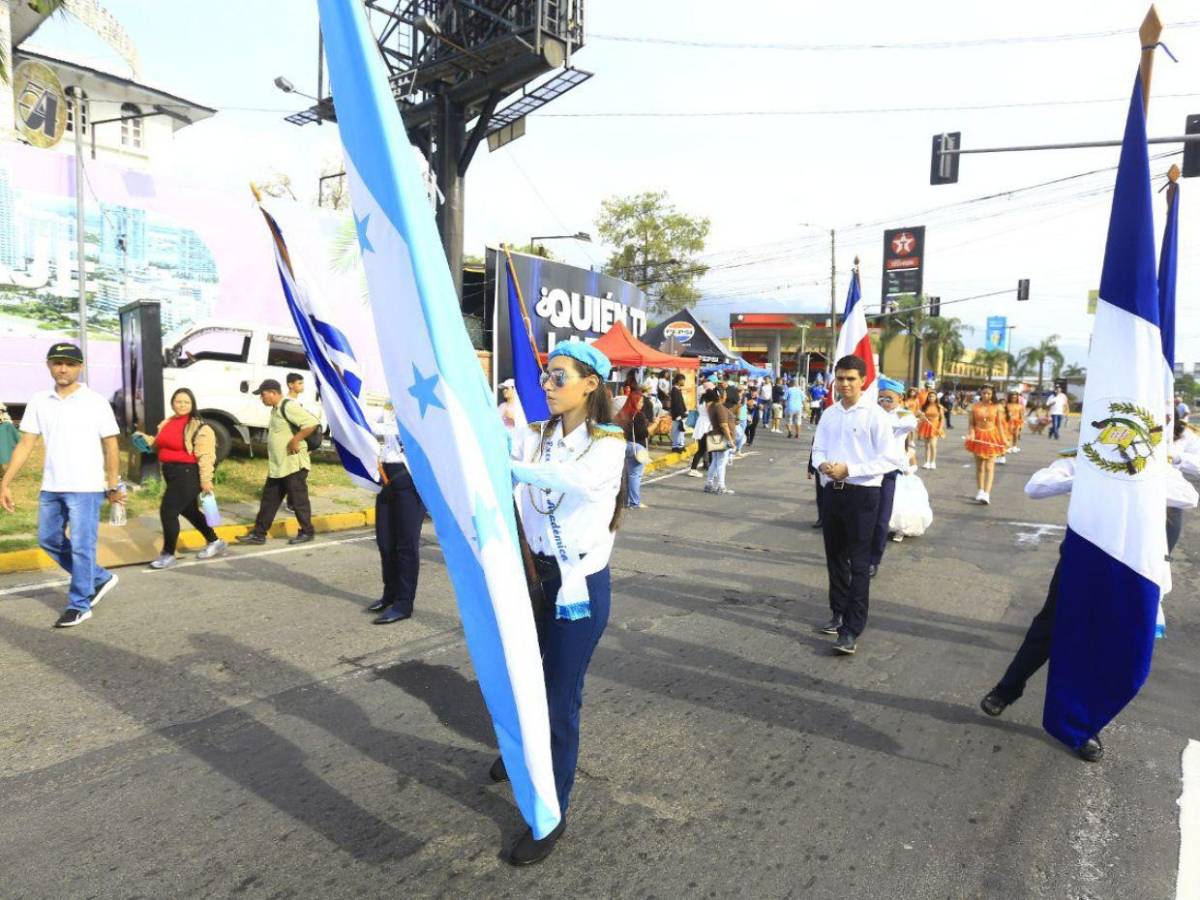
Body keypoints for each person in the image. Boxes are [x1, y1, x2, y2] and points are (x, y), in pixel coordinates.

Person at [978, 452, 1198, 762]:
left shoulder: (1155, 464)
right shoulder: (1085, 459)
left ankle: (1084, 725)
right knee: (1050, 627)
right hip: (1084, 559)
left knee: (1109, 645)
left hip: (1133, 569)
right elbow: (1035, 486)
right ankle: (1006, 689)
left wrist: (1134, 478)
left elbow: (1188, 497)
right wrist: (1094, 478)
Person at [503, 342, 626, 865]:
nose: (548, 386)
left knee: (558, 699)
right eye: (546, 377)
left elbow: (578, 481)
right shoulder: (535, 435)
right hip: (535, 576)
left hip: (577, 587)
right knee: (519, 674)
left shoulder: (609, 442)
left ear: (590, 384)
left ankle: (550, 812)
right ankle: (520, 752)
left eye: (559, 377)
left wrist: (515, 468)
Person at [0, 342, 121, 627]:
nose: (63, 368)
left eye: (69, 363)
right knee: (48, 539)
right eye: (57, 362)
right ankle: (100, 578)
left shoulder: (95, 401)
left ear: (80, 367)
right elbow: (26, 444)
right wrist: (5, 483)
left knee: (82, 546)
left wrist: (113, 483)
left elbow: (111, 444)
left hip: (87, 486)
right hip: (51, 486)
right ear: (49, 365)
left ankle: (80, 603)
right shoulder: (40, 401)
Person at [811, 355, 894, 655]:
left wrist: (850, 469)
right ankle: (837, 613)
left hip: (863, 495)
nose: (844, 384)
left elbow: (890, 459)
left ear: (863, 381)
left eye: (851, 379)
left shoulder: (876, 416)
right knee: (834, 557)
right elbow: (817, 449)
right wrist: (822, 466)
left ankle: (851, 629)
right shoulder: (830, 414)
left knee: (858, 563)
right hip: (833, 491)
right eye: (840, 378)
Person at [135, 388, 227, 569]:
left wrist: (206, 480)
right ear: (172, 403)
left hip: (188, 474)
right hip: (170, 473)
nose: (182, 405)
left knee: (167, 512)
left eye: (186, 402)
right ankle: (215, 542)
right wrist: (145, 439)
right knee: (189, 511)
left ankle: (168, 554)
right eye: (178, 401)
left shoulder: (200, 427)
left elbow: (206, 455)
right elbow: (159, 444)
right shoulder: (168, 422)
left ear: (192, 405)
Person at [236, 379, 320, 545]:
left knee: (298, 501)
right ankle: (258, 534)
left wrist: (296, 440)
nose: (261, 398)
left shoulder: (288, 406)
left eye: (263, 394)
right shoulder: (275, 409)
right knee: (269, 501)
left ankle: (307, 531)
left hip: (293, 464)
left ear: (273, 393)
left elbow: (312, 423)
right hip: (279, 466)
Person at [367, 402, 426, 624]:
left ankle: (403, 603)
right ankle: (389, 594)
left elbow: (402, 431)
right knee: (385, 542)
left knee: (405, 545)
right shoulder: (389, 404)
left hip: (409, 478)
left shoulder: (416, 404)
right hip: (386, 476)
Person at [871, 378, 916, 574]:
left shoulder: (905, 415)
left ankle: (874, 559)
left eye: (889, 399)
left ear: (900, 398)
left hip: (888, 471)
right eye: (881, 399)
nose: (884, 403)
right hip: (868, 470)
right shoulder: (871, 413)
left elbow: (894, 428)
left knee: (881, 518)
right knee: (862, 516)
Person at [965, 384, 1009, 504]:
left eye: (989, 393)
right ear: (981, 393)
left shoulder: (997, 407)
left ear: (992, 394)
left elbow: (999, 425)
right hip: (978, 437)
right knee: (980, 467)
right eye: (984, 393)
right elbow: (971, 424)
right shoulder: (974, 407)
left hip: (991, 437)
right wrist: (971, 434)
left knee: (990, 467)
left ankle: (987, 493)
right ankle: (980, 490)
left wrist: (1004, 439)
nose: (986, 395)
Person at [623, 385, 651, 509]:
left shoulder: (624, 413)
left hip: (626, 445)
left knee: (627, 475)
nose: (642, 404)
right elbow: (643, 433)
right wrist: (654, 425)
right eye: (640, 401)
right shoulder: (638, 415)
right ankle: (634, 502)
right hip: (637, 447)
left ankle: (626, 501)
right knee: (635, 475)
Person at [704, 385, 736, 495]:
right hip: (721, 436)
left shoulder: (712, 406)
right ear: (722, 396)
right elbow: (724, 425)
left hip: (714, 435)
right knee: (721, 463)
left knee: (715, 461)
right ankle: (721, 486)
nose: (727, 396)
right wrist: (730, 440)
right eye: (725, 394)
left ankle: (709, 483)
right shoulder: (720, 408)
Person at [686, 378, 715, 478]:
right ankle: (708, 469)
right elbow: (710, 413)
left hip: (702, 425)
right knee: (707, 449)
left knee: (703, 449)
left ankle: (694, 469)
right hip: (706, 426)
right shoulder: (708, 401)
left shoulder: (702, 399)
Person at [917, 389, 945, 470]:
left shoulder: (939, 407)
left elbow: (942, 419)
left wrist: (940, 428)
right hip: (926, 425)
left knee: (933, 445)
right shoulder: (924, 406)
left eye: (932, 396)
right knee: (926, 445)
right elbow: (921, 417)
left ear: (936, 397)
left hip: (935, 426)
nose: (931, 398)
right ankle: (927, 461)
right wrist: (920, 416)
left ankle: (933, 462)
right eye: (929, 396)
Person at [668, 373, 689, 452]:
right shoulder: (674, 390)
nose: (684, 382)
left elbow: (681, 402)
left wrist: (685, 411)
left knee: (681, 431)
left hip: (681, 414)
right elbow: (676, 404)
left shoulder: (677, 390)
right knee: (676, 431)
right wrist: (679, 416)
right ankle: (675, 446)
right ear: (679, 380)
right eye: (683, 380)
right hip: (677, 415)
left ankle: (680, 445)